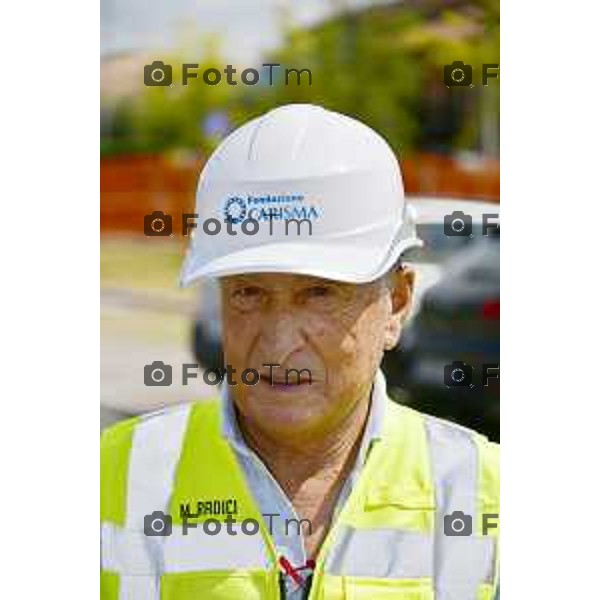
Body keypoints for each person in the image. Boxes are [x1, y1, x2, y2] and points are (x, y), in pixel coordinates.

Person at [101, 104, 499, 600]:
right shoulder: (108, 478)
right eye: (249, 293)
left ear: (396, 302)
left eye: (319, 294)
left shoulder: (488, 495)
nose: (278, 342)